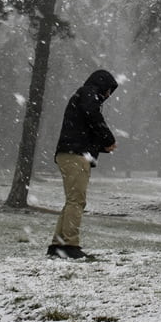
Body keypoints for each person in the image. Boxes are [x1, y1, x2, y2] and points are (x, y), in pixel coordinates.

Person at [47, 69, 118, 260]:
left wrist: (104, 145)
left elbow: (84, 129)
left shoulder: (83, 95)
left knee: (72, 200)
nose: (108, 95)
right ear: (102, 84)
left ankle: (58, 245)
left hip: (70, 153)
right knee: (76, 201)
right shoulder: (89, 94)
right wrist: (108, 137)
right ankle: (69, 244)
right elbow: (92, 116)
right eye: (109, 90)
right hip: (75, 156)